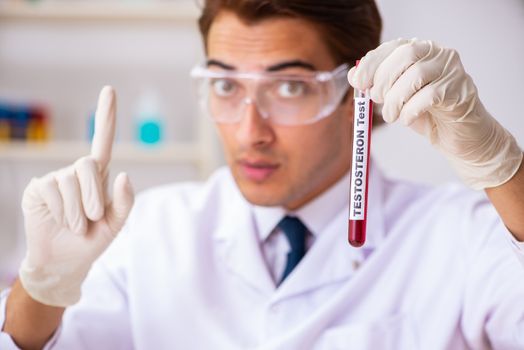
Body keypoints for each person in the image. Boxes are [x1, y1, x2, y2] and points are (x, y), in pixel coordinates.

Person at [1, 0, 524, 349]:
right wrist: (42, 286)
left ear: (358, 95)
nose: (251, 130)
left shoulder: (461, 232)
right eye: (226, 86)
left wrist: (504, 169)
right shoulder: (148, 230)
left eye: (291, 86)